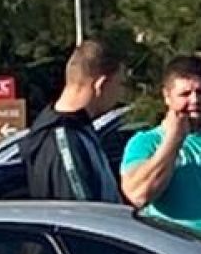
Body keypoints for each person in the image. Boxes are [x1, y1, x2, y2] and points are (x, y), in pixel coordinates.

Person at [120, 54, 201, 238]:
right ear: (167, 96)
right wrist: (174, 140)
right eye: (185, 94)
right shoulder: (144, 143)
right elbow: (138, 195)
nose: (195, 101)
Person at [20, 37, 127, 202]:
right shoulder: (63, 140)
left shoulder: (78, 130)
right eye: (120, 84)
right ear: (101, 85)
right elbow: (83, 214)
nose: (120, 94)